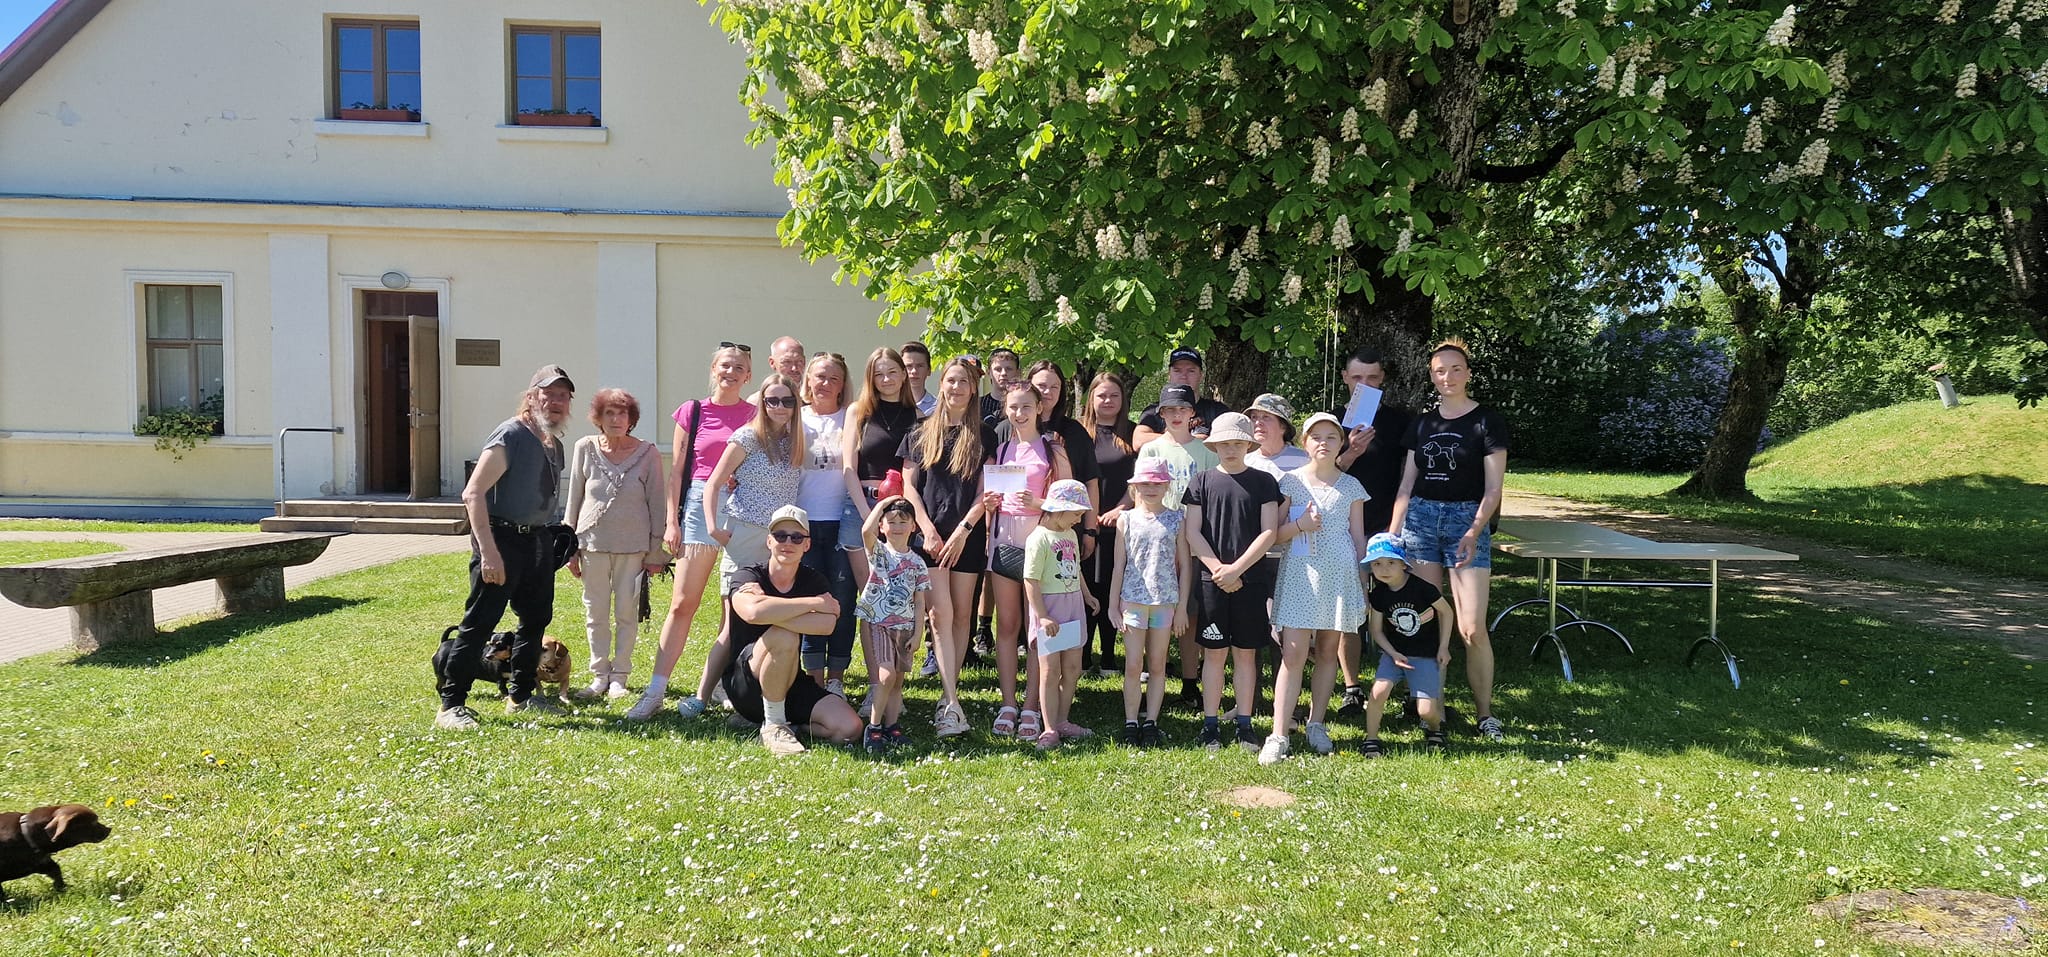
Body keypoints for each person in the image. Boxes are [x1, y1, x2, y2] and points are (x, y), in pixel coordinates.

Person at [437, 365, 575, 729]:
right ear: (531, 398)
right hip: (502, 540)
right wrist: (489, 552)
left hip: (537, 542)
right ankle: (451, 705)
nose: (557, 402)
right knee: (480, 623)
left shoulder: (554, 444)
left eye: (563, 396)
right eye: (549, 394)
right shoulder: (511, 434)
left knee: (535, 621)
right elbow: (473, 493)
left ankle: (521, 697)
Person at [1388, 339, 1511, 741]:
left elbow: (1494, 489)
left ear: (1468, 373)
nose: (1448, 377)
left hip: (1465, 520)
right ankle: (1431, 711)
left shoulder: (1487, 421)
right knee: (1425, 619)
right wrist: (1392, 533)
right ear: (1432, 376)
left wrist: (1474, 530)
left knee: (1471, 627)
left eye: (1456, 369)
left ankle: (1485, 714)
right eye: (1440, 370)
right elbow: (1406, 484)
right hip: (1421, 521)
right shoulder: (1422, 424)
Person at [625, 344, 755, 721]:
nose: (731, 372)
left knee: (735, 604)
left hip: (741, 505)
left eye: (739, 368)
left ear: (748, 376)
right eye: (725, 365)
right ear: (713, 369)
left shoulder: (754, 414)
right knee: (683, 602)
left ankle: (723, 684)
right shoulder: (692, 411)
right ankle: (655, 691)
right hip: (699, 505)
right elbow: (678, 472)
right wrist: (672, 521)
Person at [1260, 412, 1370, 765]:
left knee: (1327, 651)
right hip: (1300, 574)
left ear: (1341, 444)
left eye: (1331, 437)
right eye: (1316, 437)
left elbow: (1358, 538)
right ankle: (1278, 733)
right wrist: (1301, 525)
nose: (1324, 443)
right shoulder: (1290, 483)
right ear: (1304, 443)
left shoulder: (1351, 486)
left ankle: (1316, 723)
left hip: (1339, 576)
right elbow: (1274, 534)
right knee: (1292, 655)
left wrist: (1363, 582)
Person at [723, 505, 864, 756]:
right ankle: (774, 725)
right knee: (783, 635)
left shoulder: (813, 580)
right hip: (745, 682)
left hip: (789, 679)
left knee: (849, 728)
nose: (788, 542)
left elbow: (826, 625)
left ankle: (784, 724)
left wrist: (770, 608)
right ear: (769, 541)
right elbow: (752, 613)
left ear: (807, 545)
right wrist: (813, 604)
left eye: (797, 537)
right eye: (780, 536)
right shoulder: (748, 576)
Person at [900, 357, 992, 737]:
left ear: (973, 389)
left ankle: (947, 693)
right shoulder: (919, 432)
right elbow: (908, 487)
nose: (956, 387)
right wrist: (928, 531)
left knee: (961, 616)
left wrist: (963, 531)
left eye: (964, 382)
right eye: (951, 380)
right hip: (931, 537)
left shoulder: (985, 435)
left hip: (966, 537)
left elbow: (985, 492)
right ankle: (952, 702)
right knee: (940, 615)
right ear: (942, 384)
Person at [1183, 412, 1283, 753]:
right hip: (1212, 581)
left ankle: (1245, 724)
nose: (1230, 449)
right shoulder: (1201, 481)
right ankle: (1210, 724)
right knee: (1213, 655)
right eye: (1224, 443)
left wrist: (1237, 569)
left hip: (1250, 580)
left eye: (1237, 443)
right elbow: (1192, 531)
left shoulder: (1264, 482)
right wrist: (1218, 570)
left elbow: (1269, 531)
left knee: (1245, 654)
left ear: (1248, 445)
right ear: (1214, 446)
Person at [562, 388, 669, 700]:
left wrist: (655, 550)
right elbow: (574, 498)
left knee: (626, 612)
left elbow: (657, 504)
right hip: (592, 544)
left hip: (633, 547)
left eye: (622, 413)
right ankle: (599, 675)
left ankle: (620, 675)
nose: (616, 419)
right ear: (599, 417)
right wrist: (569, 547)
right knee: (595, 612)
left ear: (631, 418)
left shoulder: (648, 453)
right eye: (609, 413)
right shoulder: (584, 447)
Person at [983, 382, 1071, 740]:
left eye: (1026, 406)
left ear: (1039, 408)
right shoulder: (1001, 449)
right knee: (1007, 625)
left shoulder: (1054, 450)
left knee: (1037, 628)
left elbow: (1070, 504)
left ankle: (1033, 706)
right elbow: (989, 498)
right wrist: (989, 503)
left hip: (1041, 546)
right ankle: (1008, 703)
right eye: (1013, 407)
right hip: (1003, 541)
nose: (1019, 413)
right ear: (1006, 409)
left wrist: (1039, 504)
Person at [1332, 348, 1415, 715]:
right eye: (1357, 378)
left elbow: (1407, 481)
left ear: (1382, 381)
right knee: (1349, 611)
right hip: (1341, 527)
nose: (1364, 385)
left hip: (1387, 528)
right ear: (1345, 379)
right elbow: (1323, 478)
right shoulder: (1332, 421)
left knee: (1397, 606)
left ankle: (1406, 683)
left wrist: (1393, 533)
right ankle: (1352, 687)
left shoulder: (1399, 422)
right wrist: (1350, 452)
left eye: (1372, 378)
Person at [1133, 383, 1220, 704]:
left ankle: (1189, 680)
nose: (1176, 415)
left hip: (1195, 542)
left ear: (1192, 413)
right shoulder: (1151, 450)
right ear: (1161, 414)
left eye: (1182, 409)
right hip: (1157, 542)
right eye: (1169, 410)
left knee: (1190, 615)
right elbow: (1139, 495)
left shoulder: (1206, 452)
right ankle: (1149, 674)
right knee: (1153, 611)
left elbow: (1212, 498)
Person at [1108, 458, 1188, 748]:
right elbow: (1119, 565)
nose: (1151, 488)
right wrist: (1112, 605)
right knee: (1133, 664)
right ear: (1135, 487)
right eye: (1145, 483)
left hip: (1165, 603)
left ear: (1166, 486)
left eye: (1157, 483)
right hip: (1132, 601)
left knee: (1157, 663)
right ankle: (1131, 721)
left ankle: (1151, 721)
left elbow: (1185, 566)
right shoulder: (1126, 519)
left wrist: (1181, 607)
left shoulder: (1177, 518)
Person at [796, 352, 860, 696]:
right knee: (810, 600)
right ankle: (813, 679)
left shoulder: (851, 417)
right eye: (820, 376)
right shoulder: (795, 416)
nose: (825, 383)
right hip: (802, 525)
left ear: (842, 385)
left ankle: (836, 678)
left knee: (843, 601)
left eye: (833, 378)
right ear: (808, 380)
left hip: (841, 523)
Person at [1360, 533, 1453, 756]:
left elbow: (1447, 612)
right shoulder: (1379, 595)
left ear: (1403, 564)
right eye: (1377, 564)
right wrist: (1392, 653)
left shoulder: (1423, 588)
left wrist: (1443, 646)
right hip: (1394, 655)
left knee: (1426, 711)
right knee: (1378, 693)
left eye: (1391, 562)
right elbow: (1376, 630)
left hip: (1424, 655)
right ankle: (1371, 738)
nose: (1384, 569)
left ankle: (1435, 729)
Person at [1023, 478, 1097, 749]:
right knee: (1050, 671)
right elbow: (1030, 580)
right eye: (1076, 514)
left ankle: (1063, 720)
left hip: (1072, 607)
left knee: (1073, 668)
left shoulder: (1070, 535)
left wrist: (1086, 595)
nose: (1079, 520)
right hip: (1050, 610)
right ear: (1059, 509)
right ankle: (1049, 728)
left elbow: (1075, 568)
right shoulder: (1038, 538)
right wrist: (1042, 616)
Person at [854, 496, 931, 753]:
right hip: (879, 623)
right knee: (885, 675)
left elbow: (920, 601)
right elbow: (866, 530)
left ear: (913, 526)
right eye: (891, 521)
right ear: (882, 526)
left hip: (905, 627)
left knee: (897, 681)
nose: (897, 526)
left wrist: (918, 633)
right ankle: (874, 727)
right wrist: (884, 503)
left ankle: (892, 726)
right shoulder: (878, 552)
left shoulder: (918, 563)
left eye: (903, 521)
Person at [1078, 372, 1136, 677]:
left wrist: (1121, 508)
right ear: (1091, 398)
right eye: (1102, 395)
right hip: (1084, 522)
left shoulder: (1134, 434)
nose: (1108, 400)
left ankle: (1111, 655)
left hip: (1121, 522)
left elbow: (1140, 478)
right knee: (1086, 585)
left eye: (1114, 395)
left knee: (1113, 585)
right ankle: (1084, 654)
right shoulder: (1078, 432)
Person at [1132, 347, 1231, 449]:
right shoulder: (1154, 410)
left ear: (1201, 375)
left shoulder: (1218, 411)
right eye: (1177, 371)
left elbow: (1231, 443)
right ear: (1169, 375)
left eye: (1191, 371)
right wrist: (1192, 440)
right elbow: (1139, 441)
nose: (1183, 376)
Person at [1245, 393, 1310, 479]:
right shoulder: (1244, 461)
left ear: (1283, 427)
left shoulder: (1304, 460)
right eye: (1254, 417)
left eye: (1266, 417)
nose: (1258, 422)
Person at [744, 336, 806, 404]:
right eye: (787, 362)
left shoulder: (812, 401)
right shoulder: (758, 402)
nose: (794, 368)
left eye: (799, 361)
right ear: (772, 363)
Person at [978, 347, 1023, 423]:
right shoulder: (977, 405)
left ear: (1018, 373)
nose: (1003, 373)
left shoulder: (1025, 404)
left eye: (1009, 369)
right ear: (989, 372)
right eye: (998, 369)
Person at [900, 341, 938, 417]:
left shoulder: (938, 408)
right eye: (909, 366)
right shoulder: (890, 404)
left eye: (920, 366)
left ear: (929, 370)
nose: (914, 371)